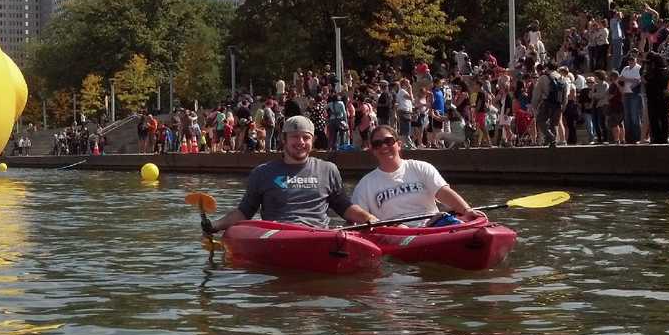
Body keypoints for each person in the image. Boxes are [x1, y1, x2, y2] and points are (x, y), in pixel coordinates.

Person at [201, 116, 378, 233]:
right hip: (278, 235)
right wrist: (214, 226)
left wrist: (369, 218)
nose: (300, 142)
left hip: (318, 235)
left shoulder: (328, 169)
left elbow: (344, 207)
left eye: (306, 137)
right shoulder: (262, 173)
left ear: (312, 140)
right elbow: (244, 212)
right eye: (294, 137)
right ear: (283, 139)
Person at [351, 125, 487, 226]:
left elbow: (443, 192)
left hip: (432, 224)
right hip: (395, 232)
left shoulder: (421, 167)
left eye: (389, 141)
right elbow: (357, 217)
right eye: (377, 144)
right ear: (373, 150)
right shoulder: (365, 184)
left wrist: (466, 210)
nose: (384, 146)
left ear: (399, 144)